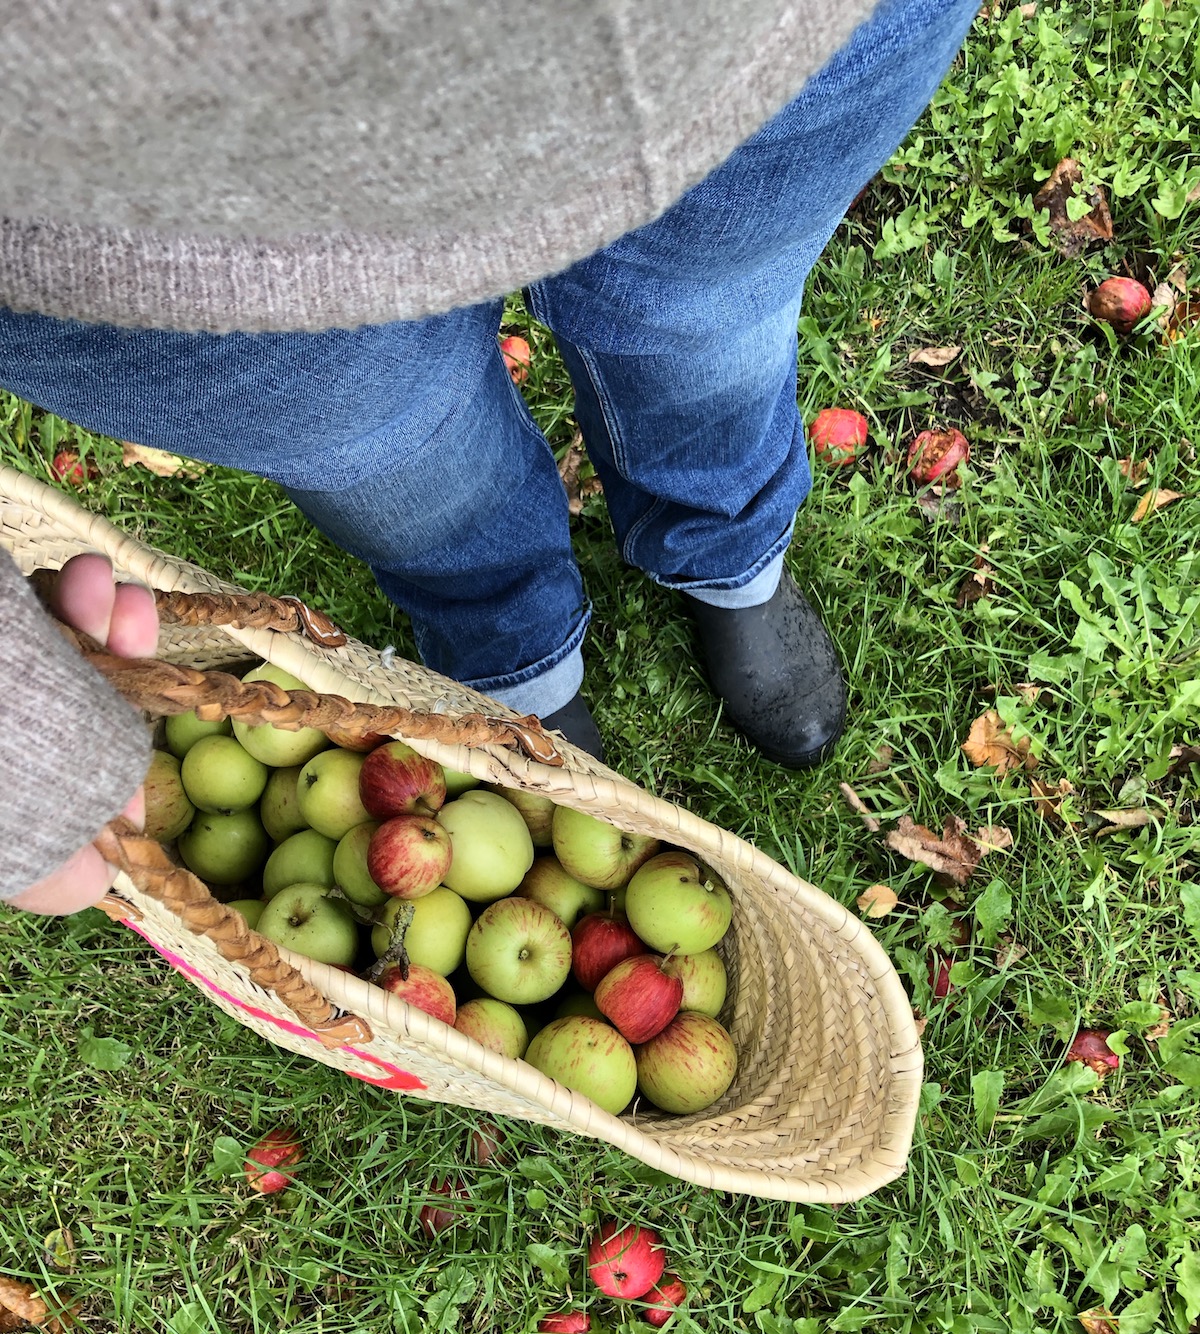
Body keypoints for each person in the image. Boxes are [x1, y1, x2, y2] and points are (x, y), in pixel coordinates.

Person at [0, 0, 979, 915]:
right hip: (162, 183)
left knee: (711, 310)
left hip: (748, 28)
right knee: (388, 440)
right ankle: (517, 659)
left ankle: (729, 555)